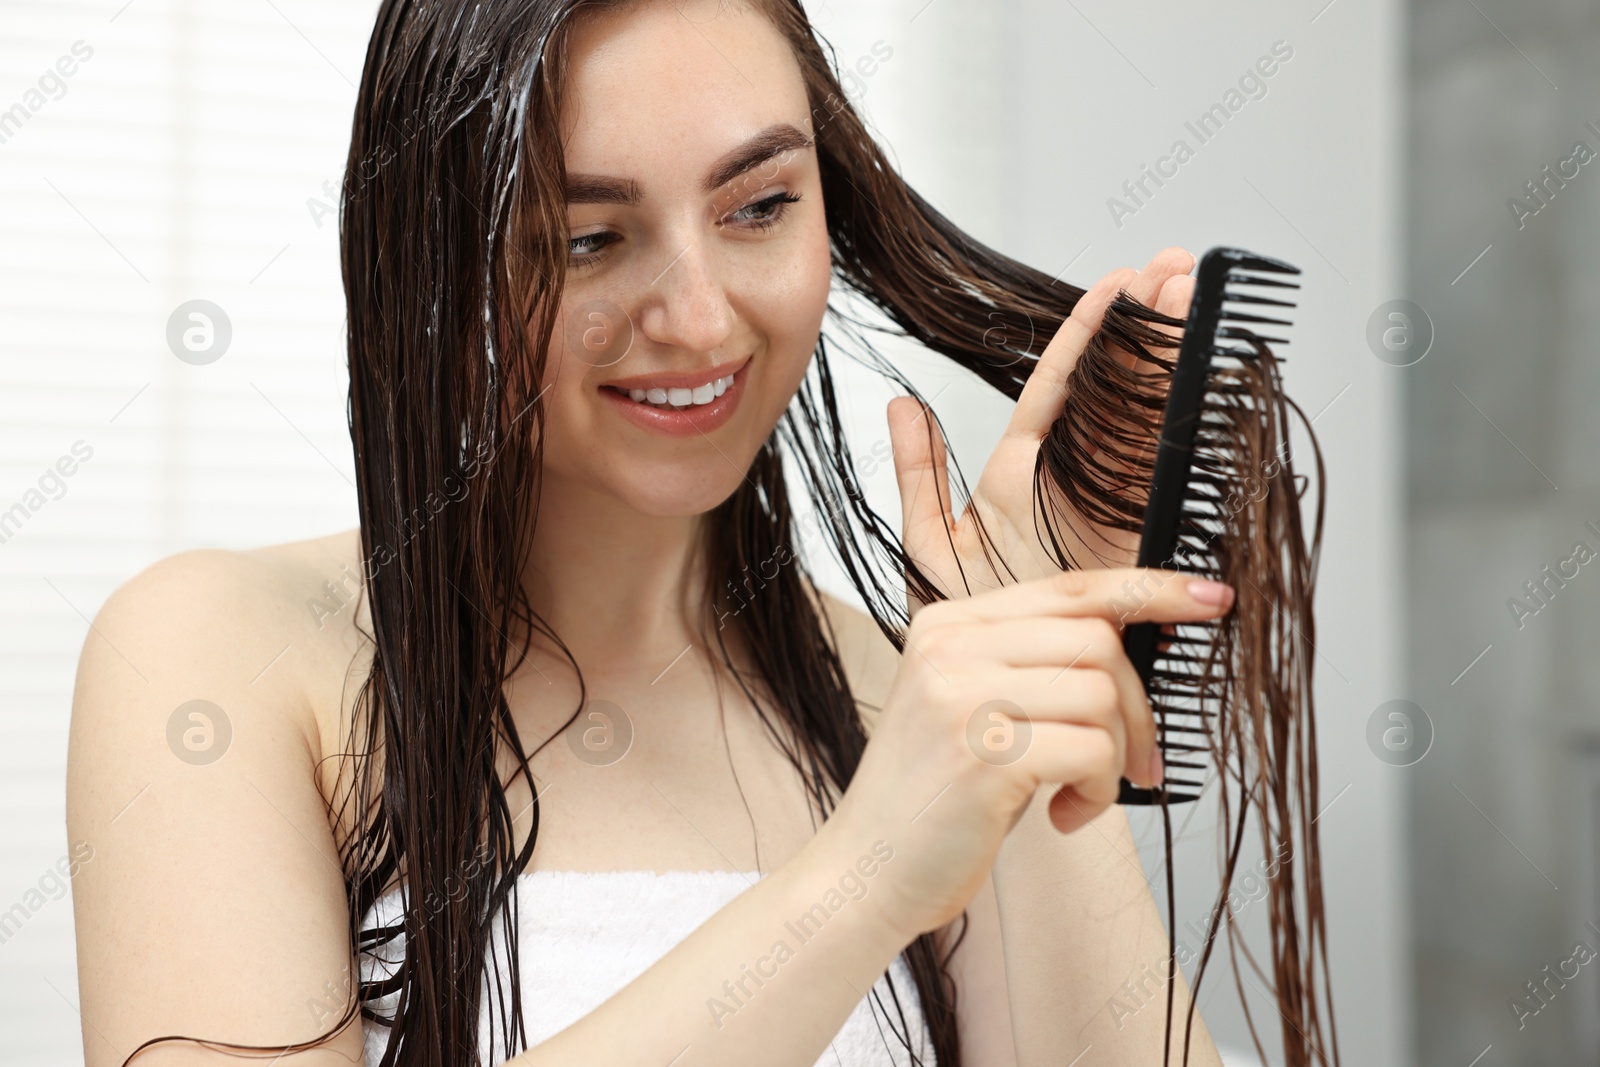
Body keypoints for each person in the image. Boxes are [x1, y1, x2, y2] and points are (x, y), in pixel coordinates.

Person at [66, 1, 1228, 1064]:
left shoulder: (914, 698)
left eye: (760, 206)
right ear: (433, 258)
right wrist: (862, 873)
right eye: (586, 240)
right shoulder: (220, 661)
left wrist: (1046, 669)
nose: (700, 317)